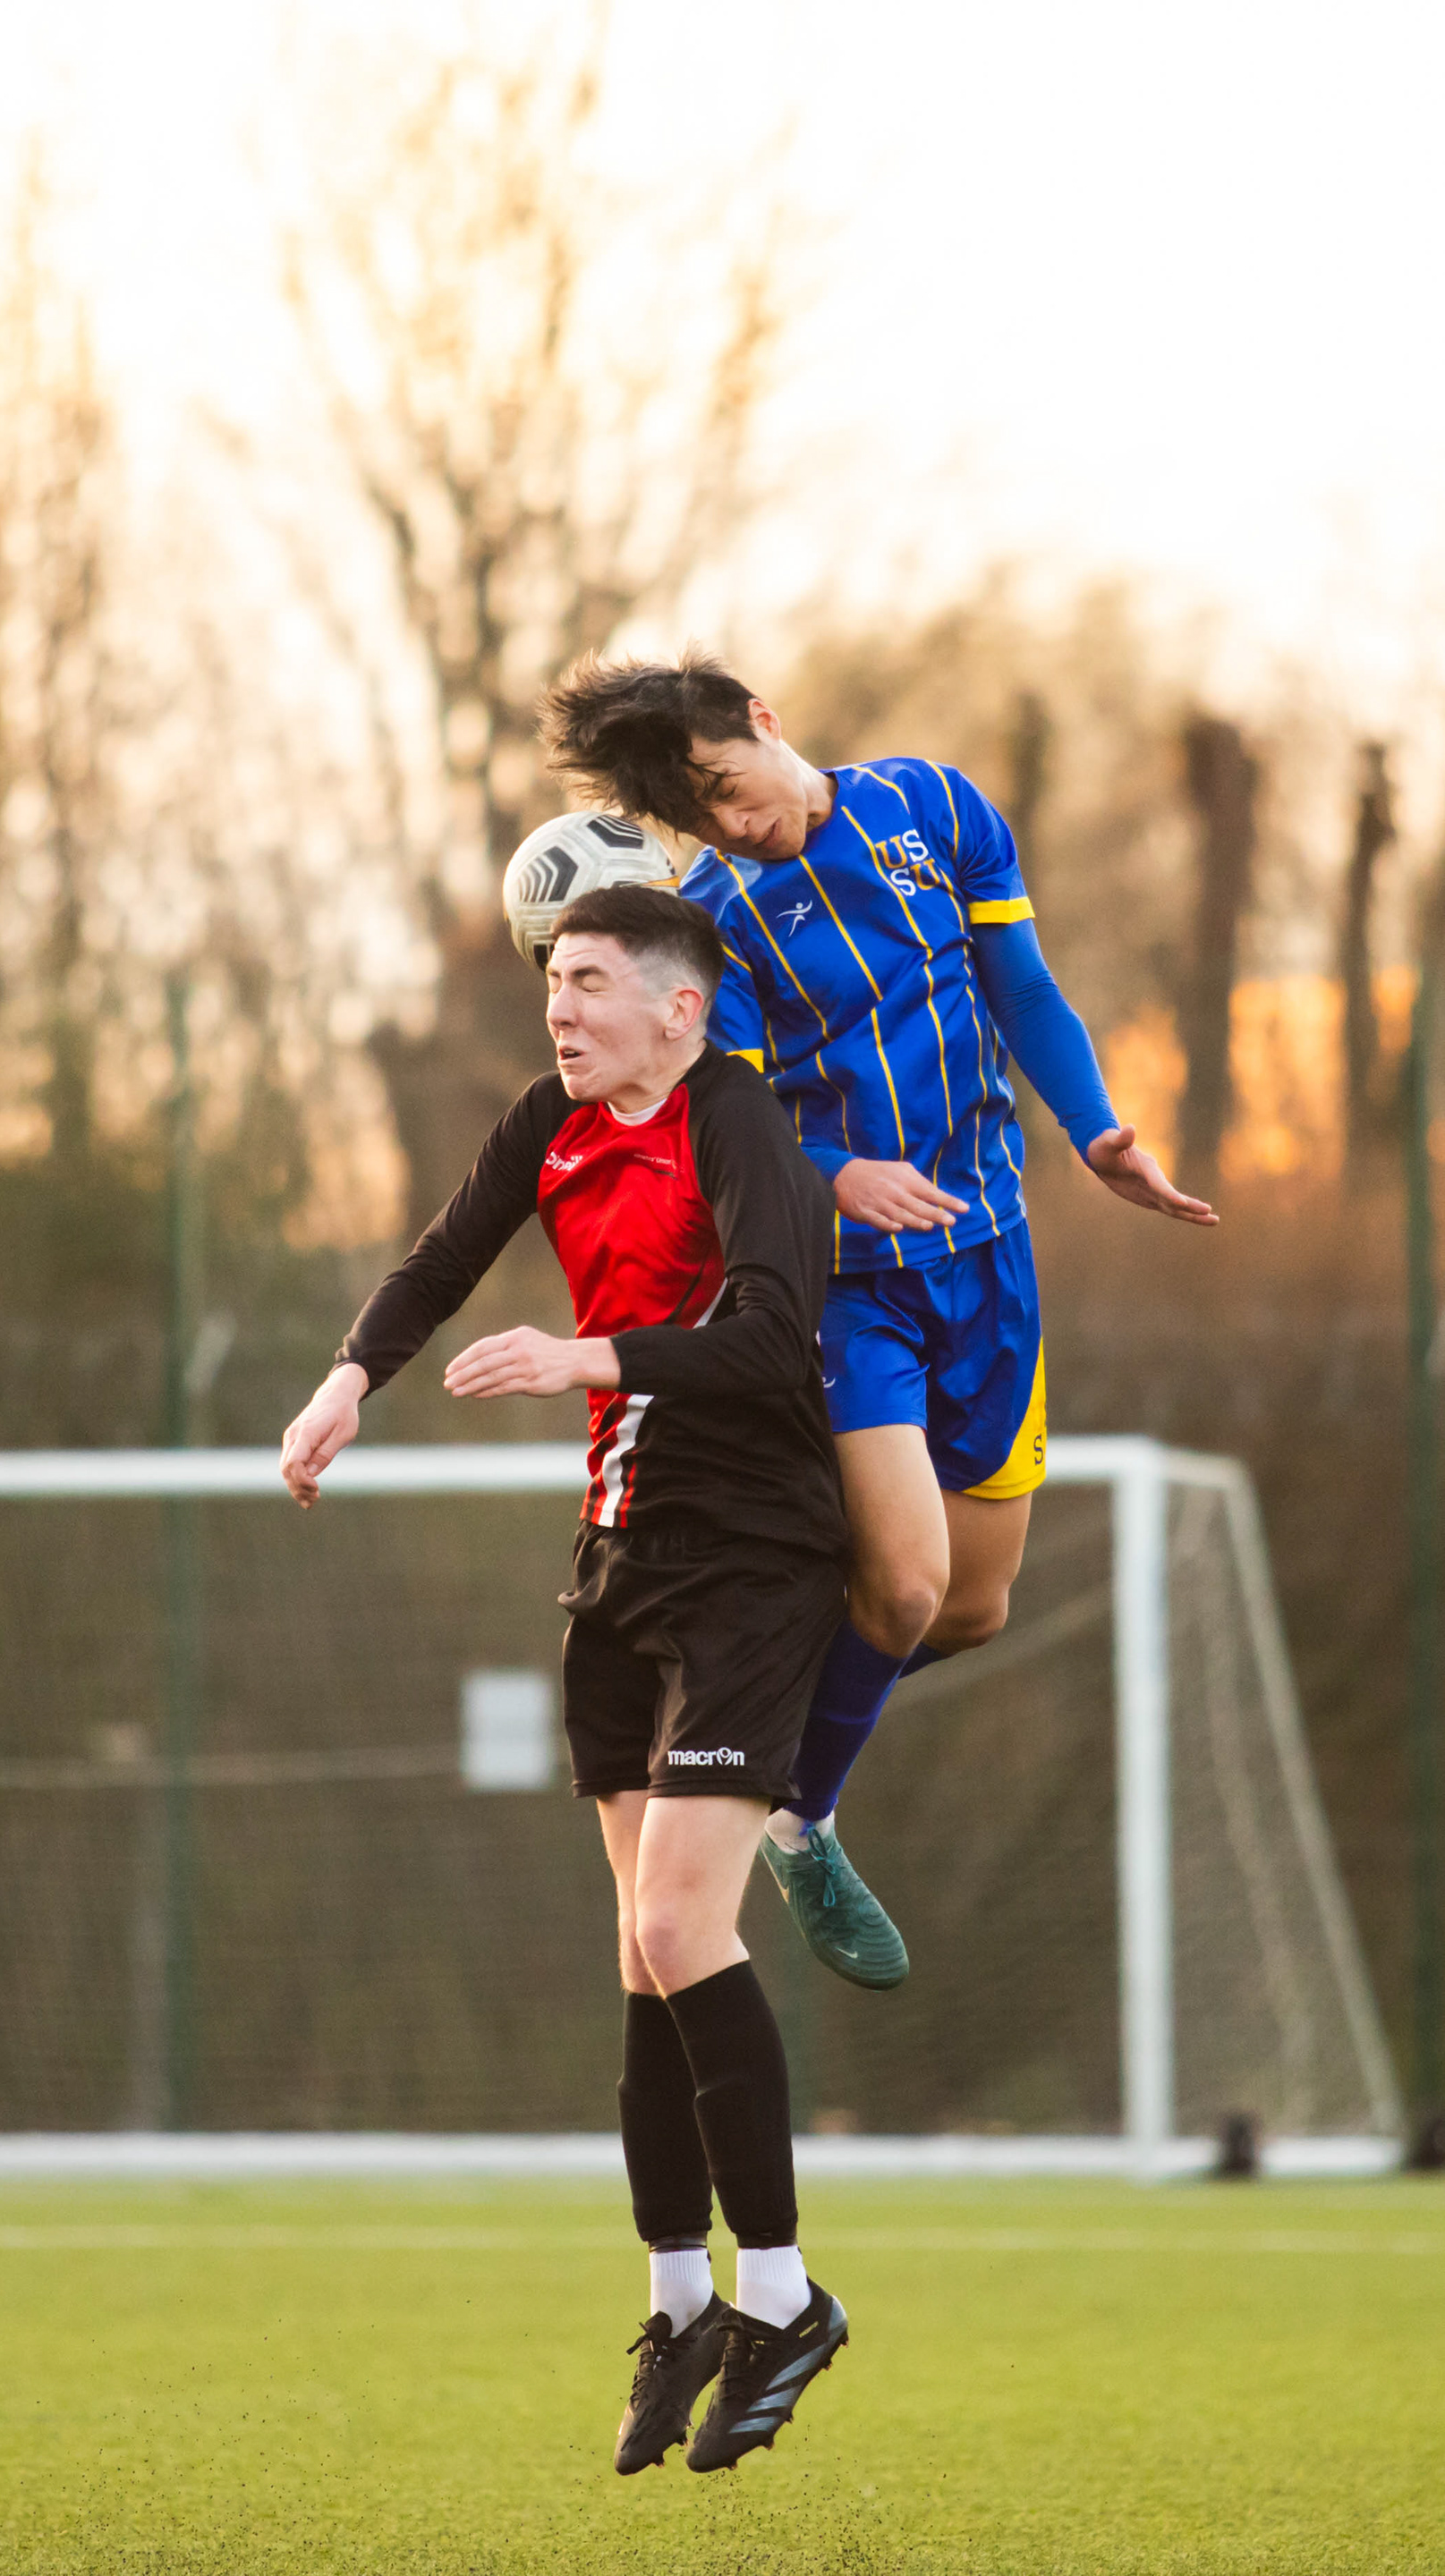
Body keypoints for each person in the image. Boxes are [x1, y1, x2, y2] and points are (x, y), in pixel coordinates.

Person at [280, 883, 850, 2475]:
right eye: (554, 983)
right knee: (643, 1953)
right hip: (619, 1560)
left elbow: (771, 1331)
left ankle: (787, 2297)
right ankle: (679, 2303)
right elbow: (443, 1255)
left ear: (680, 1007)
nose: (562, 1008)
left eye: (590, 981)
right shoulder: (552, 1119)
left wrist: (582, 1356)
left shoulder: (733, 1120)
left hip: (751, 1553)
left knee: (682, 1924)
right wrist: (346, 1385)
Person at [539, 652, 1217, 1987]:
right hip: (847, 1291)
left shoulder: (940, 809)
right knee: (900, 1582)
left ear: (768, 727)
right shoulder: (712, 926)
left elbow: (1022, 986)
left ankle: (772, 1763)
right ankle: (794, 1811)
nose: (734, 824)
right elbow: (715, 1129)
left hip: (993, 1266)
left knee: (969, 1607)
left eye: (733, 787)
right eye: (703, 816)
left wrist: (1097, 1132)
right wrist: (835, 1174)